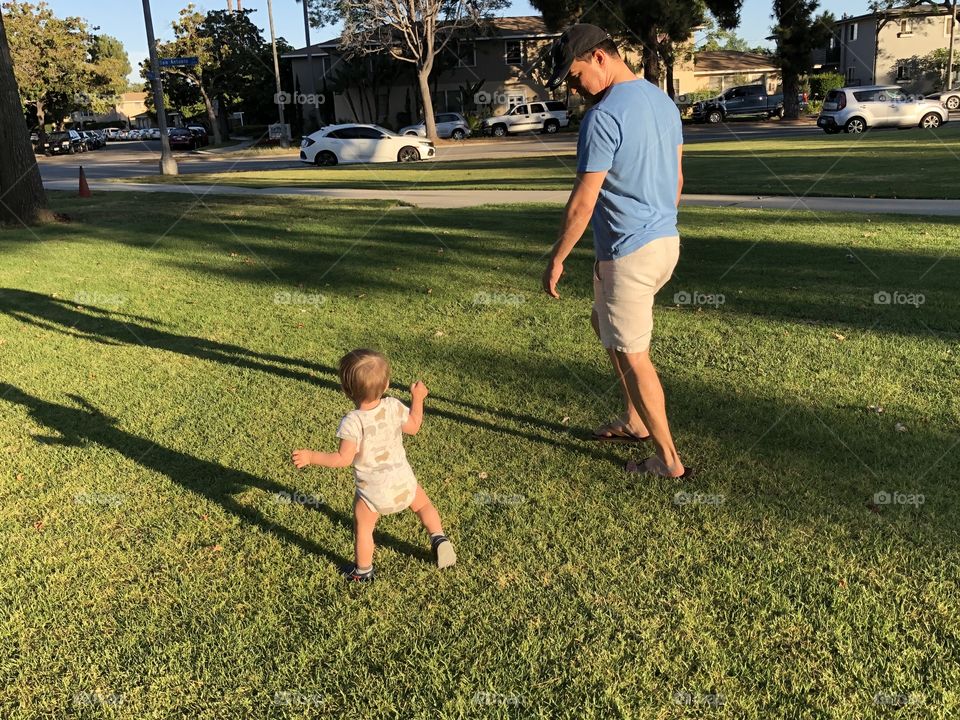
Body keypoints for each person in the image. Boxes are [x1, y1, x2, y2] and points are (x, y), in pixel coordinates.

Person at [541, 24, 694, 479]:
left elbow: (583, 202)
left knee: (632, 353)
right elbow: (679, 179)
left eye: (574, 76)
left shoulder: (603, 117)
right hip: (666, 243)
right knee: (601, 321)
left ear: (600, 58)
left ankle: (667, 460)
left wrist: (557, 257)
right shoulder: (663, 101)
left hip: (629, 253)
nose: (573, 88)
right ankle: (633, 418)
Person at [292, 349, 456, 582]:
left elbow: (343, 459)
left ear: (346, 390)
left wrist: (311, 456)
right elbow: (414, 426)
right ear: (387, 383)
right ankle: (439, 537)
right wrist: (418, 398)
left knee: (364, 528)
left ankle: (364, 570)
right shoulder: (393, 406)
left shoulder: (353, 421)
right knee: (423, 506)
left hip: (373, 492)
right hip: (403, 482)